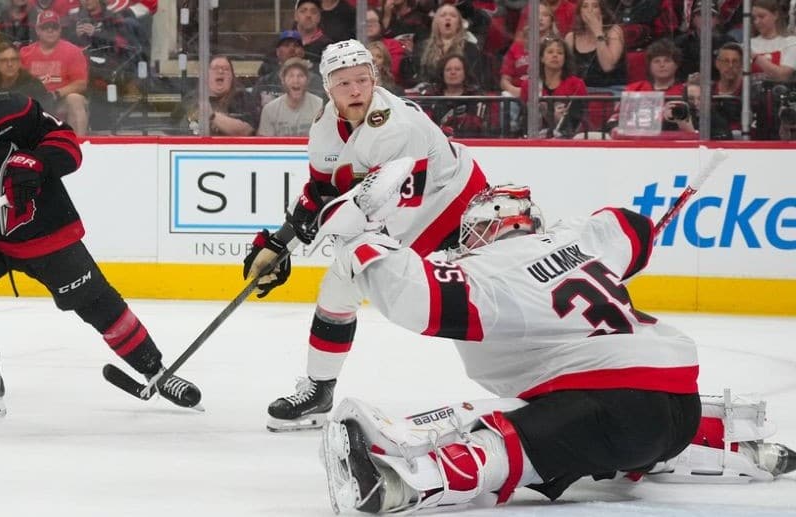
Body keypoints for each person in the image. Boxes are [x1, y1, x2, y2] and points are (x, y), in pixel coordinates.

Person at [315, 180, 796, 513]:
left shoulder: (490, 270)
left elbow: (416, 300)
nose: (467, 241)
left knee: (511, 437)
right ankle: (727, 447)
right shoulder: (579, 241)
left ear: (490, 227)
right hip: (678, 401)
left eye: (473, 230)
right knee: (598, 431)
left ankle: (409, 483)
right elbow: (630, 228)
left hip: (612, 404)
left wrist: (360, 241)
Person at [0, 58, 204, 420]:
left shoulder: (14, 112)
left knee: (98, 303)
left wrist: (38, 163)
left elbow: (66, 143)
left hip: (47, 231)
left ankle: (156, 371)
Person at [241, 40, 488, 432]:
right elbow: (323, 193)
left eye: (362, 80)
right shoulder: (325, 127)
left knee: (494, 297)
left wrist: (328, 231)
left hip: (455, 203)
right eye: (343, 84)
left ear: (375, 79)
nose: (355, 90)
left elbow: (394, 209)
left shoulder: (397, 128)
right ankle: (319, 390)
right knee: (343, 278)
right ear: (327, 87)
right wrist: (281, 243)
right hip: (409, 206)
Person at [564, 0, 626, 91]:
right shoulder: (570, 37)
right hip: (580, 92)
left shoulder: (614, 32)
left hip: (611, 90)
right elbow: (566, 71)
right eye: (585, 6)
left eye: (595, 6)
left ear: (602, 12)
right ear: (579, 13)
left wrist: (597, 32)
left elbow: (607, 66)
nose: (590, 10)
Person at [258, 57, 323, 137]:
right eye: (291, 76)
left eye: (300, 76)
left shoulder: (319, 106)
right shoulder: (270, 110)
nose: (296, 80)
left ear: (308, 80)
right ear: (283, 80)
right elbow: (265, 145)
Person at [0, 41, 53, 110]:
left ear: (19, 62)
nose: (9, 64)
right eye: (4, 60)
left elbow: (46, 112)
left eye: (13, 59)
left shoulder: (34, 86)